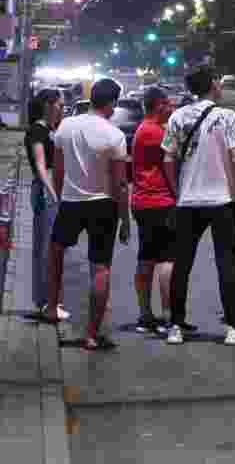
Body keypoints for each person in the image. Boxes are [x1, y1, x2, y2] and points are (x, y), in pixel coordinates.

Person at [161, 66, 235, 346]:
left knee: (182, 264)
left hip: (188, 201)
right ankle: (234, 326)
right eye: (217, 80)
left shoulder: (178, 116)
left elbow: (168, 159)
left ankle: (176, 326)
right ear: (213, 85)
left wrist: (177, 191)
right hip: (222, 200)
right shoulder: (228, 117)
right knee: (226, 263)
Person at [44, 78, 130, 351]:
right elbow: (120, 184)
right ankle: (92, 334)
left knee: (56, 251)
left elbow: (58, 170)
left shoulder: (66, 126)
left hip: (71, 201)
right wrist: (125, 219)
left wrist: (61, 197)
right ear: (112, 103)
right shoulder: (114, 136)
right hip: (103, 204)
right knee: (101, 267)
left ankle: (51, 307)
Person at [129, 86, 176, 334]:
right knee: (166, 260)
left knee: (146, 258)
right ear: (158, 105)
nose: (172, 107)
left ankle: (145, 314)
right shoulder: (155, 132)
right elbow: (177, 153)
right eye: (168, 103)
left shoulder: (143, 130)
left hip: (143, 201)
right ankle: (169, 315)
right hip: (160, 201)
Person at [24, 89, 70, 321]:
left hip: (52, 189)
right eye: (60, 105)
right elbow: (41, 167)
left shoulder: (51, 130)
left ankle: (50, 299)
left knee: (52, 246)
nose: (63, 109)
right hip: (46, 190)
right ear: (48, 106)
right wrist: (53, 194)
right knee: (47, 247)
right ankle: (46, 302)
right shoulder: (37, 131)